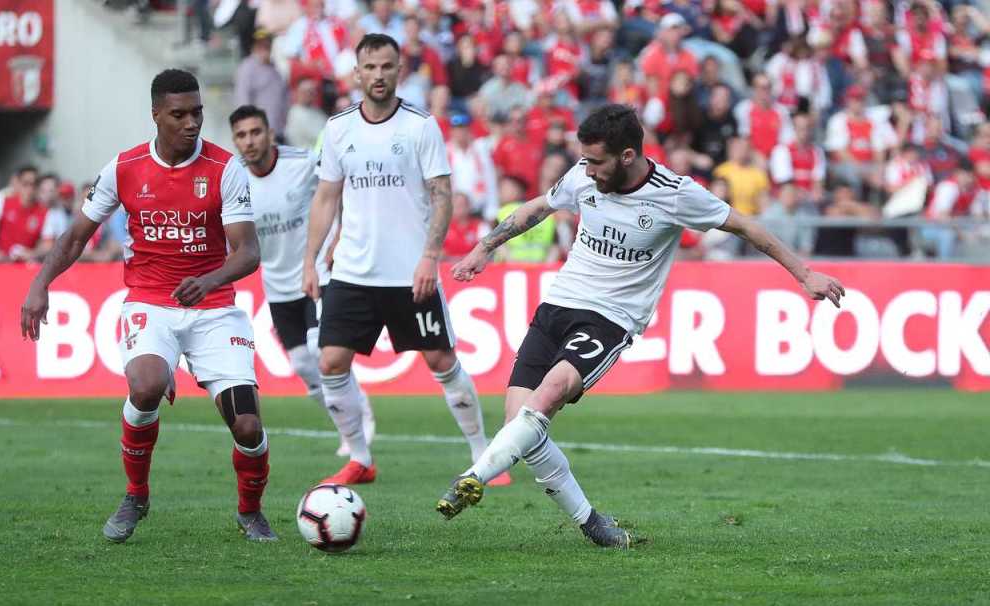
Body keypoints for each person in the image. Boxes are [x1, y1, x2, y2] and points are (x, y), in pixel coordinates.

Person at [434, 104, 844, 548]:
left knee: (549, 395)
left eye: (597, 161)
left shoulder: (676, 194)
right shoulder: (583, 176)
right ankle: (592, 523)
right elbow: (538, 208)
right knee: (520, 427)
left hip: (610, 318)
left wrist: (804, 274)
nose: (589, 170)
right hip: (558, 305)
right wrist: (484, 247)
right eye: (585, 160)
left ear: (627, 155)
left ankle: (473, 477)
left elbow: (745, 227)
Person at [20, 69, 275, 543]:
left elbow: (248, 252)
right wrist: (40, 283)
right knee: (146, 385)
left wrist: (209, 280)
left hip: (214, 306)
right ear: (156, 114)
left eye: (197, 112)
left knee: (246, 423)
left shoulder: (224, 169)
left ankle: (250, 512)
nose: (191, 123)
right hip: (150, 300)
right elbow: (76, 237)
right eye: (179, 114)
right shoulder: (124, 168)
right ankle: (136, 495)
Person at [301, 34, 509, 487]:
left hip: (409, 272)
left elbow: (442, 195)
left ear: (400, 71)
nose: (378, 75)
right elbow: (326, 197)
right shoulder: (338, 129)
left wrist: (430, 257)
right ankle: (360, 457)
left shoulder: (420, 126)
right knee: (330, 361)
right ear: (357, 73)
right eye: (370, 67)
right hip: (353, 270)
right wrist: (310, 260)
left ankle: (483, 454)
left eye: (386, 66)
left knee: (441, 360)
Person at [229, 103, 375, 458]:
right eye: (241, 135)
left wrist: (340, 234)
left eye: (256, 132)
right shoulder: (233, 181)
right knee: (301, 364)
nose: (249, 141)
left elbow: (341, 186)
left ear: (269, 133)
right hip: (277, 284)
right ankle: (347, 422)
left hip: (318, 272)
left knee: (317, 349)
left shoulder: (303, 162)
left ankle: (359, 421)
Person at [0, 165, 49, 263]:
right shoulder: (2, 201)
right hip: (2, 262)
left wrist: (32, 254)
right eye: (25, 184)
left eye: (34, 184)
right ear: (18, 183)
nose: (30, 188)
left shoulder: (45, 212)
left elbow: (47, 245)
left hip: (26, 264)